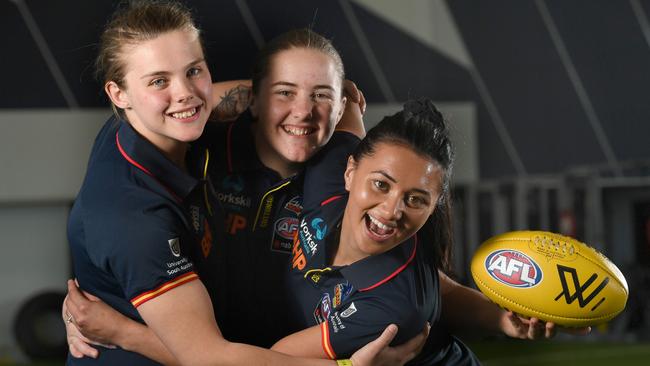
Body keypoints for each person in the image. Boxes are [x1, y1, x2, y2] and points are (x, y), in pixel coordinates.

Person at [65, 1, 421, 365]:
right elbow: (206, 357)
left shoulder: (151, 126)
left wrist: (327, 87)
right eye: (159, 81)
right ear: (118, 94)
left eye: (194, 70)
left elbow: (240, 95)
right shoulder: (133, 217)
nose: (184, 92)